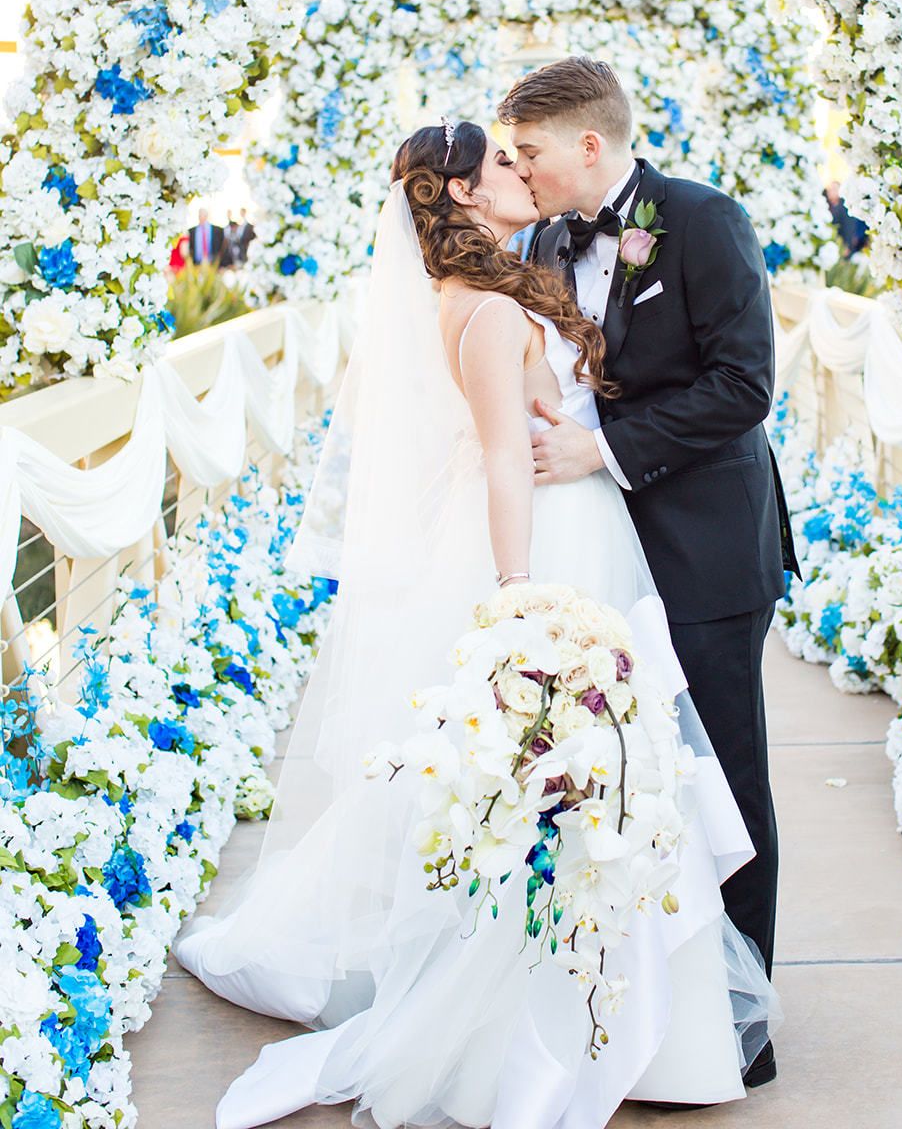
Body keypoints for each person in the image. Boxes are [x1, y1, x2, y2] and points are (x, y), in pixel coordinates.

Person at [174, 119, 779, 1129]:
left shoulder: (505, 275)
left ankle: (623, 1012)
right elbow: (505, 455)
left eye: (521, 152)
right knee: (576, 779)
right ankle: (563, 1020)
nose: (520, 168)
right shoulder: (491, 304)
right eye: (500, 161)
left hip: (584, 528)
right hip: (546, 546)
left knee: (590, 777)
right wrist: (517, 594)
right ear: (459, 194)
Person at [497, 56, 802, 1090]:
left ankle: (739, 1020)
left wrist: (604, 452)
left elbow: (742, 383)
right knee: (611, 777)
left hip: (706, 552)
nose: (519, 169)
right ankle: (630, 1009)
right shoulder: (539, 239)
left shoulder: (703, 219)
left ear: (589, 143)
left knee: (725, 778)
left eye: (529, 151)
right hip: (594, 555)